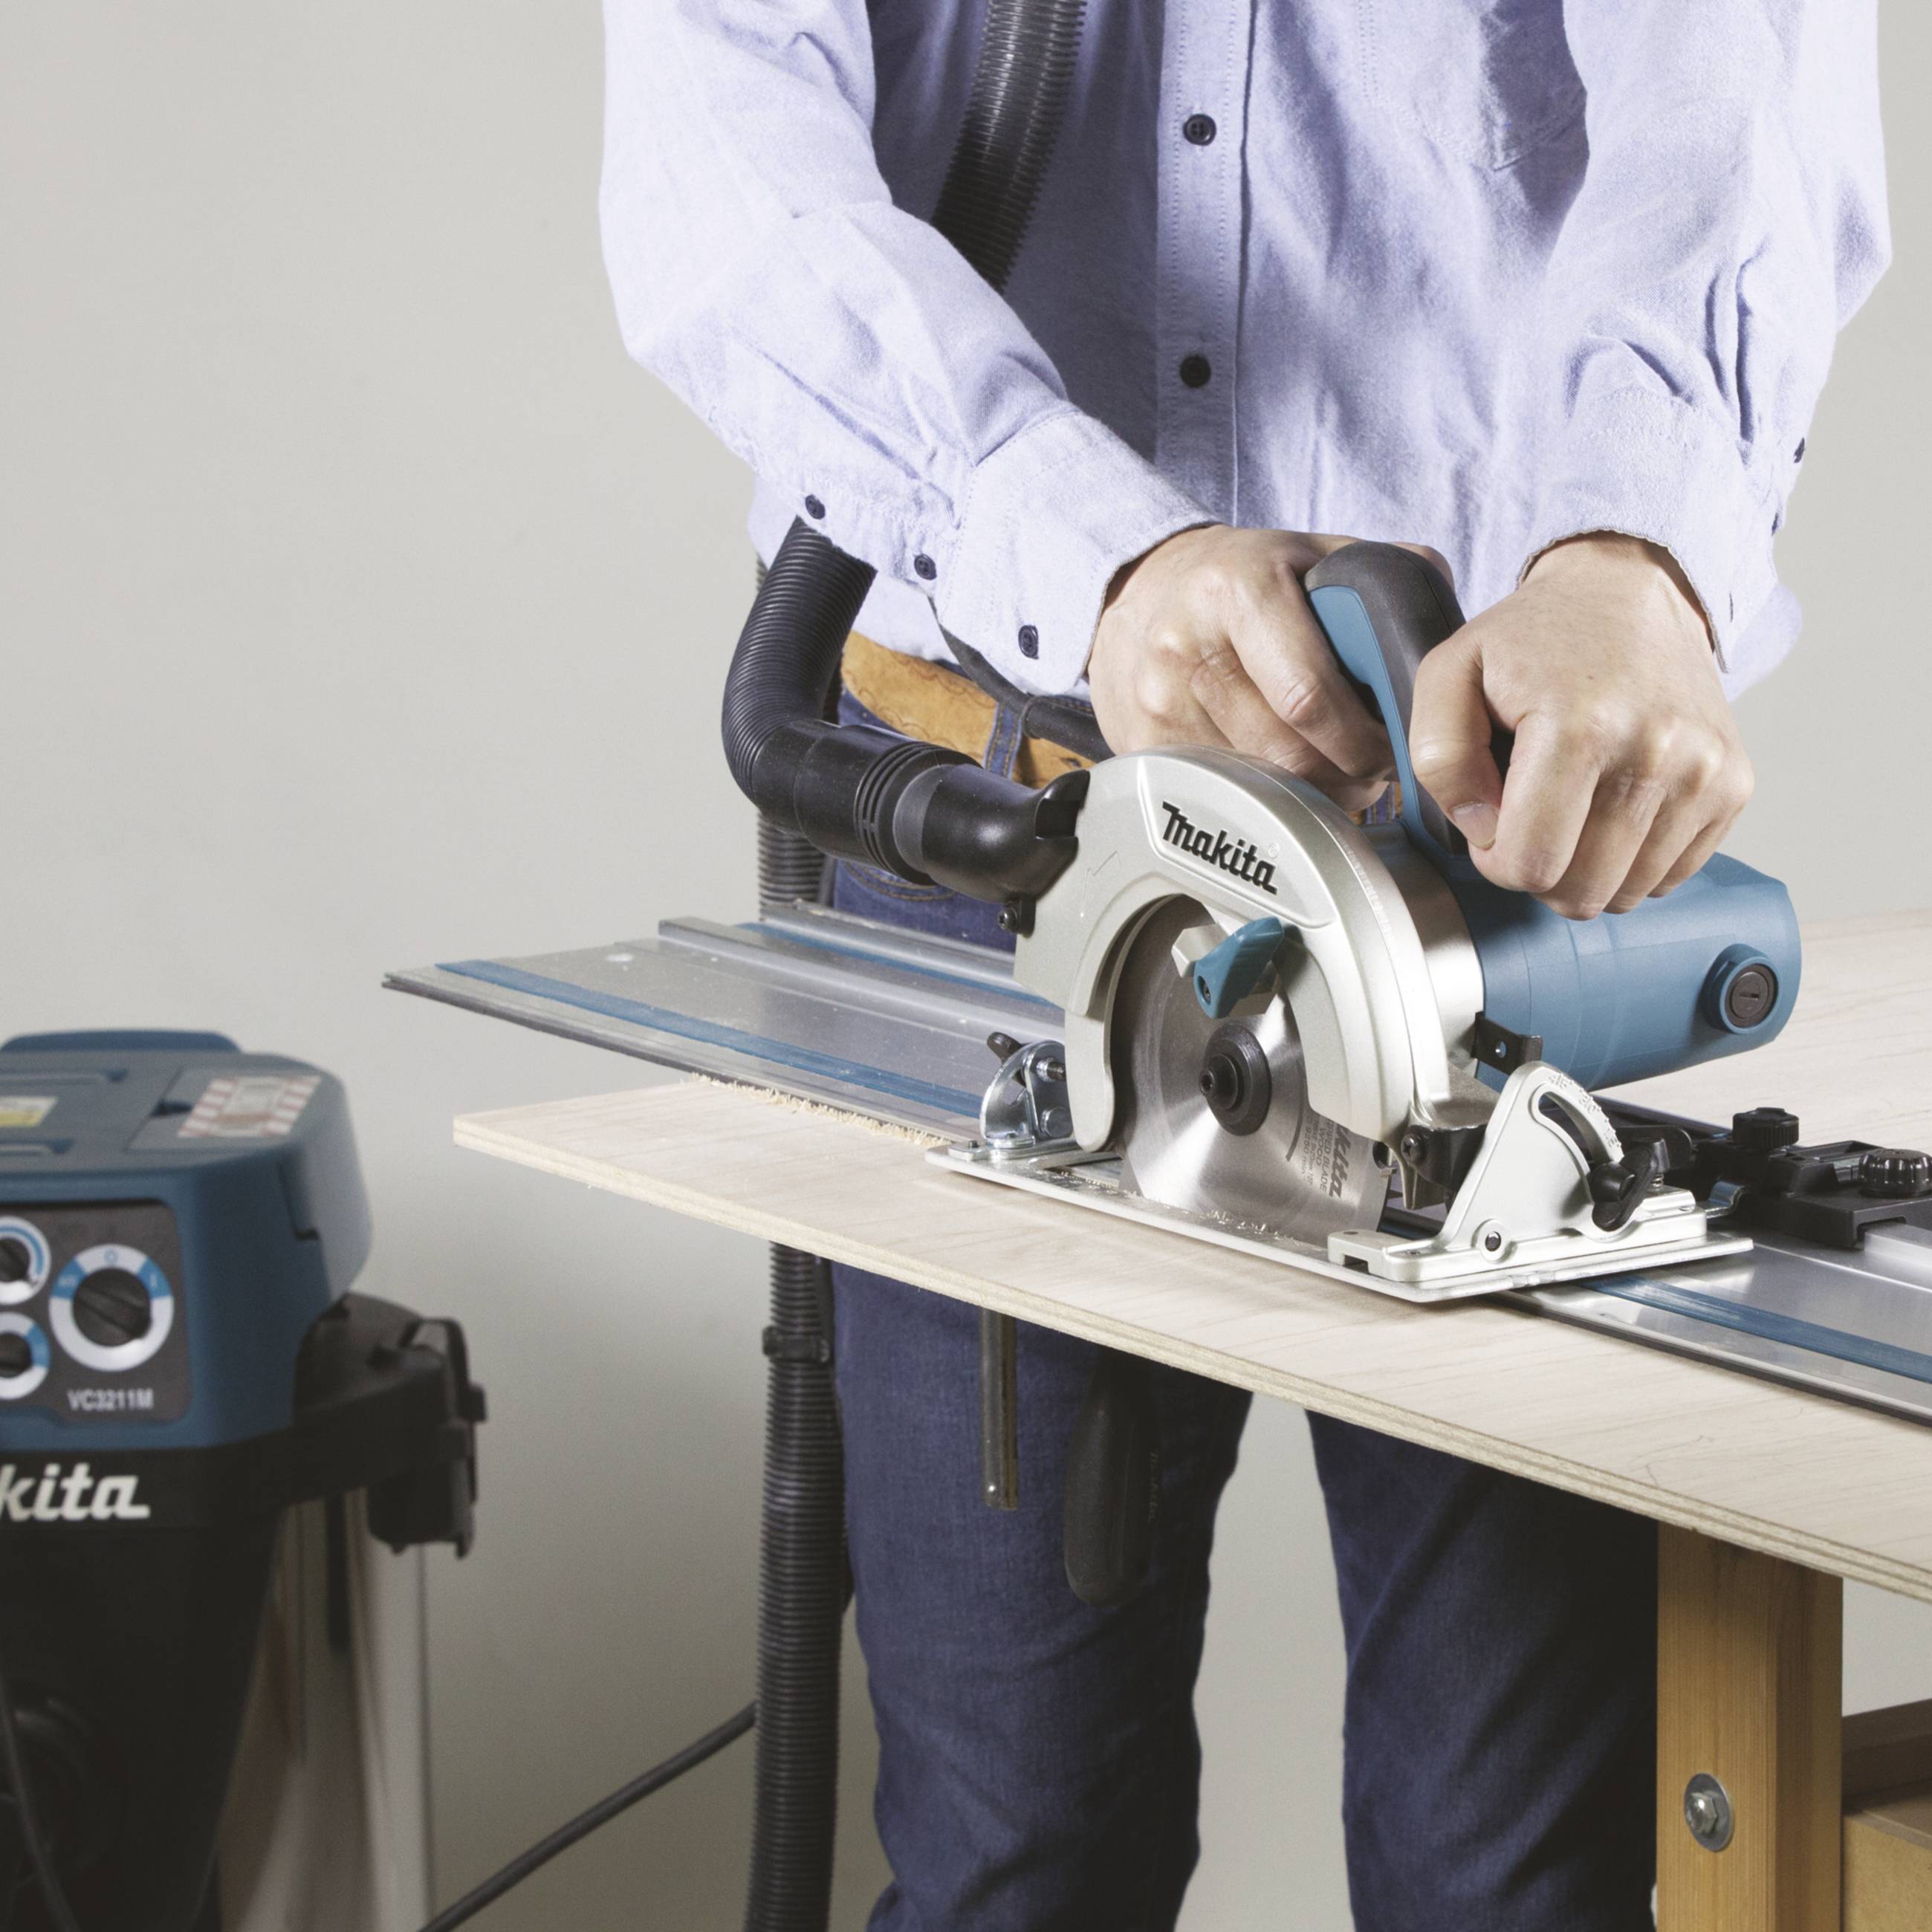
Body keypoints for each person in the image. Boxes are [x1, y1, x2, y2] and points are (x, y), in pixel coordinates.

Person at [600, 3, 1889, 1925]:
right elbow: (728, 178)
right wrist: (1103, 553)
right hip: (1016, 835)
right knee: (1016, 1853)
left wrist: (1638, 554)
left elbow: (1726, 118)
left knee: (1521, 1869)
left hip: (1492, 826)